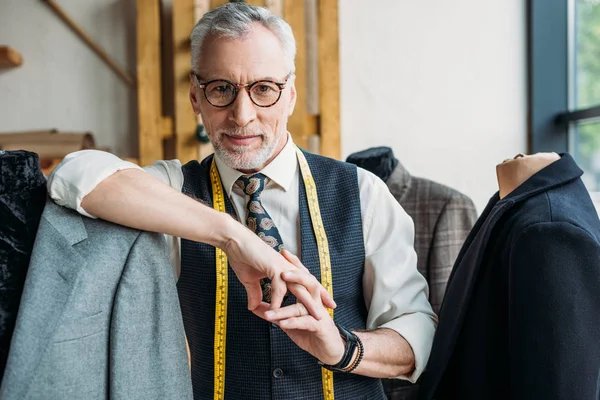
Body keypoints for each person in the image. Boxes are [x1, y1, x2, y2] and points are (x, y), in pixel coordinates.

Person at [48, 3, 436, 399]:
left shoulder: (363, 193)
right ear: (196, 98)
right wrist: (234, 237)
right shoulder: (173, 189)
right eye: (221, 89)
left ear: (291, 95)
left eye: (264, 89)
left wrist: (342, 348)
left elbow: (416, 336)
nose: (242, 114)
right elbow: (74, 176)